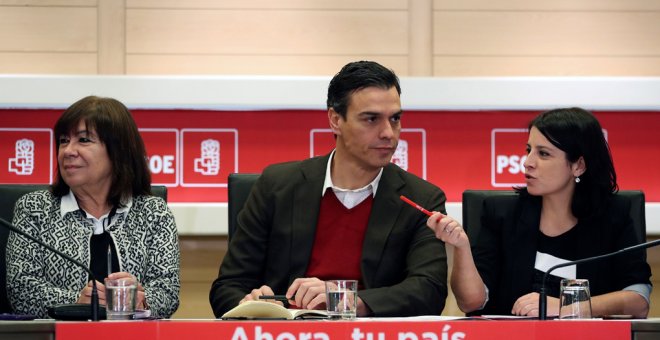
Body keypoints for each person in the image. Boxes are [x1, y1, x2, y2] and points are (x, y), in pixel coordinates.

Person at [209, 61, 448, 317]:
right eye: (371, 119)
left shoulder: (420, 197)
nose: (389, 133)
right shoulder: (277, 186)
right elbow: (227, 287)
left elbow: (429, 291)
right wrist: (251, 304)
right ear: (335, 120)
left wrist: (345, 302)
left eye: (395, 119)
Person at [427, 107, 652, 317]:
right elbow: (471, 302)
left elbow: (639, 299)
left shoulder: (614, 216)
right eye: (528, 150)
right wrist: (461, 247)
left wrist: (568, 307)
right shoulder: (501, 214)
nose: (527, 162)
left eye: (543, 154)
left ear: (578, 166)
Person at [7, 96, 180, 318]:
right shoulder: (34, 209)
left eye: (84, 140)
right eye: (63, 140)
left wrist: (140, 300)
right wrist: (75, 303)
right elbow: (21, 291)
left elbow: (168, 292)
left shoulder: (153, 213)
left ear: (118, 151)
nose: (68, 150)